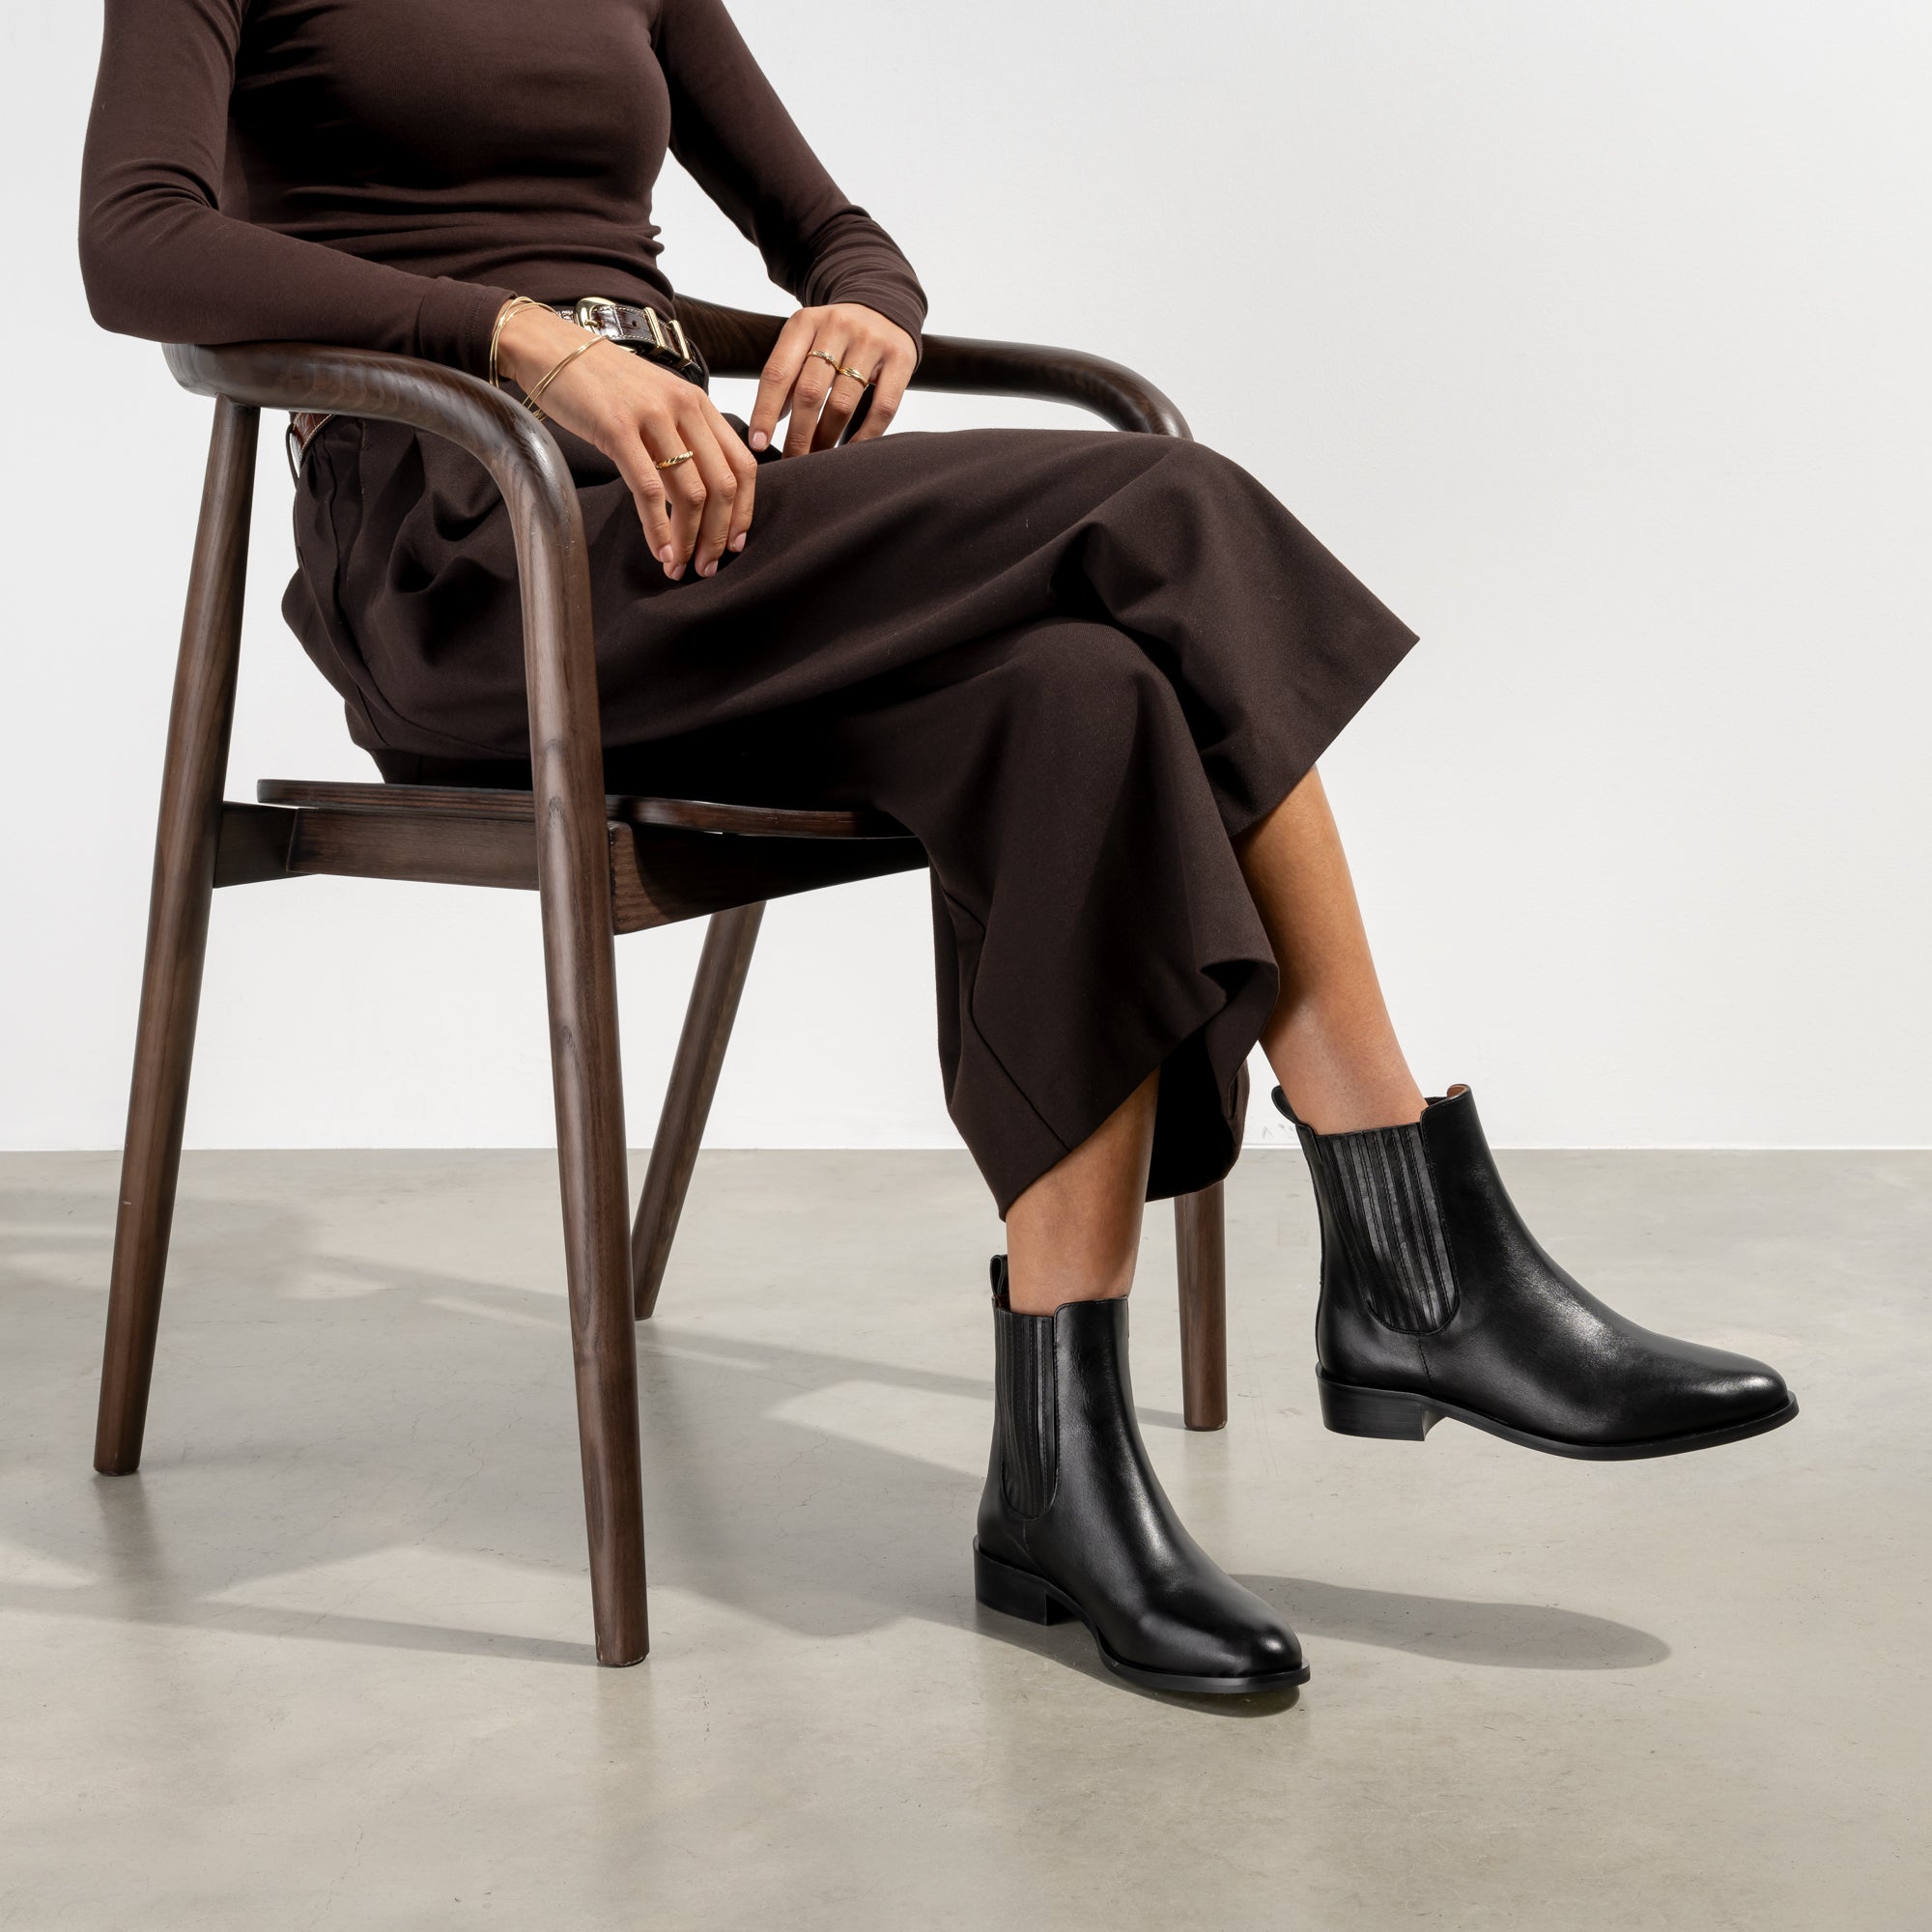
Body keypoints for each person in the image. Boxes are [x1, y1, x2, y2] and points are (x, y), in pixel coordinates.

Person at [79, 0, 1795, 1697]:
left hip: (699, 528)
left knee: (1080, 698)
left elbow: (837, 233)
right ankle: (1410, 1237)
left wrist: (864, 314)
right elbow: (136, 242)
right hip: (470, 544)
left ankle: (1058, 1475)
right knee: (1166, 503)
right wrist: (524, 341)